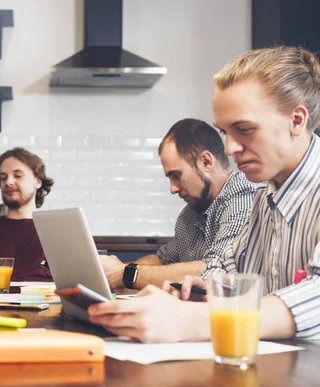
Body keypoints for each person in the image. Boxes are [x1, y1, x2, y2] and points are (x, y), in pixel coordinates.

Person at [89, 46, 320, 342]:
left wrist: (193, 320)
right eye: (224, 132)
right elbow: (228, 270)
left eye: (244, 129)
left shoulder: (252, 195)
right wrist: (201, 291)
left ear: (296, 121)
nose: (229, 149)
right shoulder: (264, 198)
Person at [101, 118, 258, 290]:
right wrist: (112, 271)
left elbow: (213, 272)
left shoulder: (244, 197)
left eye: (176, 175)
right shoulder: (190, 214)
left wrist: (124, 274)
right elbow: (163, 260)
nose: (173, 189)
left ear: (206, 162)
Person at [0, 147, 54, 282]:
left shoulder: (55, 232)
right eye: (3, 177)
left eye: (18, 175)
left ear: (38, 181)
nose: (8, 182)